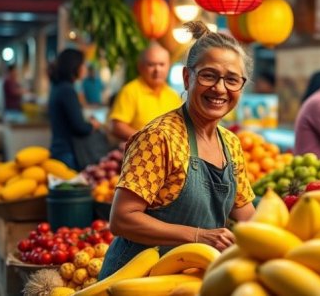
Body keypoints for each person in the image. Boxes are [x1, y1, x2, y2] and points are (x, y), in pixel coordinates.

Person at [99, 22, 256, 279]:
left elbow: (246, 213)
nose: (219, 88)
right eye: (208, 75)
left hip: (190, 279)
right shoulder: (159, 138)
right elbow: (122, 219)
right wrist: (198, 236)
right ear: (187, 78)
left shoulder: (231, 144)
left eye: (231, 79)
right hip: (137, 281)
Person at [109, 42, 182, 141]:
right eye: (151, 65)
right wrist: (147, 139)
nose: (157, 70)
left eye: (162, 64)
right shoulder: (130, 91)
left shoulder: (173, 95)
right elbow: (117, 126)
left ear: (168, 66)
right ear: (140, 67)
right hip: (138, 151)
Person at [48, 49, 102, 170]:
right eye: (83, 64)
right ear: (75, 66)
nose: (85, 68)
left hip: (59, 149)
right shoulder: (67, 90)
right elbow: (79, 127)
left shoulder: (57, 86)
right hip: (68, 153)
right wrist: (93, 125)